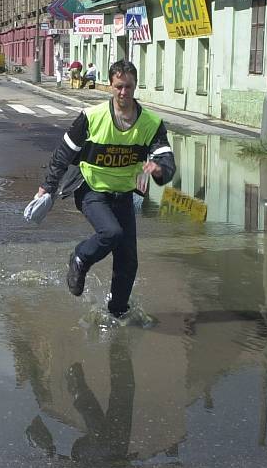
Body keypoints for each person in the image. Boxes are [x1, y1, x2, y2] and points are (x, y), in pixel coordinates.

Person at [37, 59, 175, 318]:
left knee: (128, 260)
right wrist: (47, 187)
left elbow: (166, 160)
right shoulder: (91, 117)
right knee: (111, 233)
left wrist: (159, 169)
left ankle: (117, 312)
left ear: (135, 87)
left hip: (123, 195)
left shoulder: (151, 123)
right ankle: (80, 257)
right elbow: (63, 154)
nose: (124, 93)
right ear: (110, 86)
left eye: (129, 87)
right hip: (91, 190)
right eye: (119, 87)